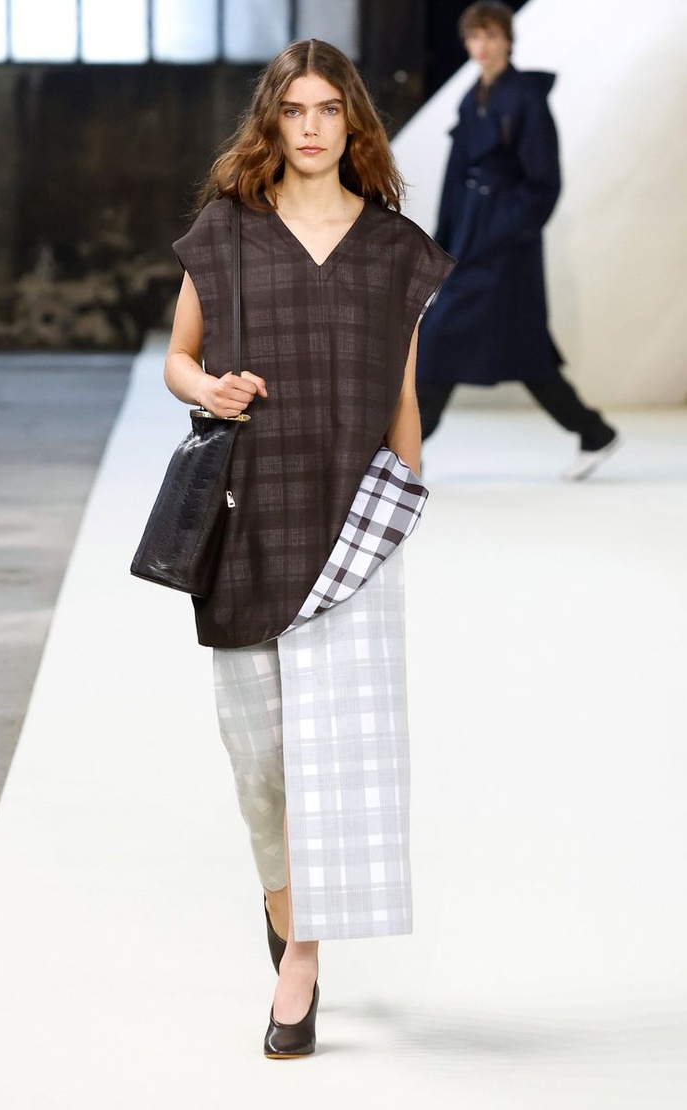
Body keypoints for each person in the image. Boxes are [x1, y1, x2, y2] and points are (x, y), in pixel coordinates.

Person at [162, 39, 454, 1058]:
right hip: (249, 516)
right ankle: (283, 907)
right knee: (260, 766)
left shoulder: (394, 250)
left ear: (352, 121)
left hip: (351, 529)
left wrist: (399, 507)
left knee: (333, 758)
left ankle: (302, 962)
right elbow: (179, 358)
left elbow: (404, 395)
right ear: (273, 122)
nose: (313, 127)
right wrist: (209, 389)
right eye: (295, 110)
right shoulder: (227, 232)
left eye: (330, 109)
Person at [417, 1, 621, 480]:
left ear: (508, 40)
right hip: (471, 234)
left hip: (505, 243)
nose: (481, 46)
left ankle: (407, 451)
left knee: (440, 339)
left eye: (491, 36)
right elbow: (456, 176)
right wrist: (443, 240)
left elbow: (543, 182)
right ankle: (594, 433)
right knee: (524, 351)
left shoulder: (525, 97)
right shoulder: (472, 97)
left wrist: (504, 232)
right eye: (474, 37)